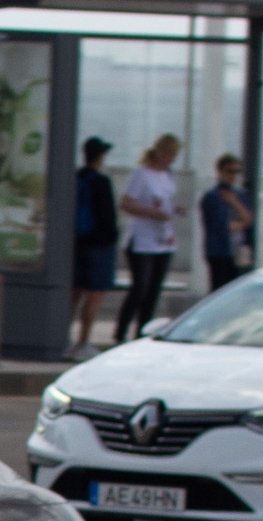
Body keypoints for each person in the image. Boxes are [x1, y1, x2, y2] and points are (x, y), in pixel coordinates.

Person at [115, 133, 181, 343]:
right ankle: (121, 332)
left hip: (162, 238)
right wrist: (151, 213)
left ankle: (142, 333)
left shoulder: (168, 175)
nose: (169, 159)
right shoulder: (141, 174)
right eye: (167, 154)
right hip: (142, 238)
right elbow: (126, 203)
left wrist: (174, 211)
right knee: (140, 288)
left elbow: (166, 203)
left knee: (153, 290)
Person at [71, 136, 117, 356]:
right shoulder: (101, 181)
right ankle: (83, 340)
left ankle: (65, 336)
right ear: (100, 156)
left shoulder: (75, 178)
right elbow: (108, 217)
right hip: (99, 245)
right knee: (95, 294)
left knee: (75, 293)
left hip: (78, 244)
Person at [199, 154, 255, 290]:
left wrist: (235, 203)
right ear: (220, 172)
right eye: (230, 171)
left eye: (237, 171)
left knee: (236, 289)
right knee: (219, 288)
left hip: (238, 251)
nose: (233, 175)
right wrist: (242, 223)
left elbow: (249, 219)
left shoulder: (240, 195)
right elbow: (221, 226)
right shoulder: (212, 197)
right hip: (219, 251)